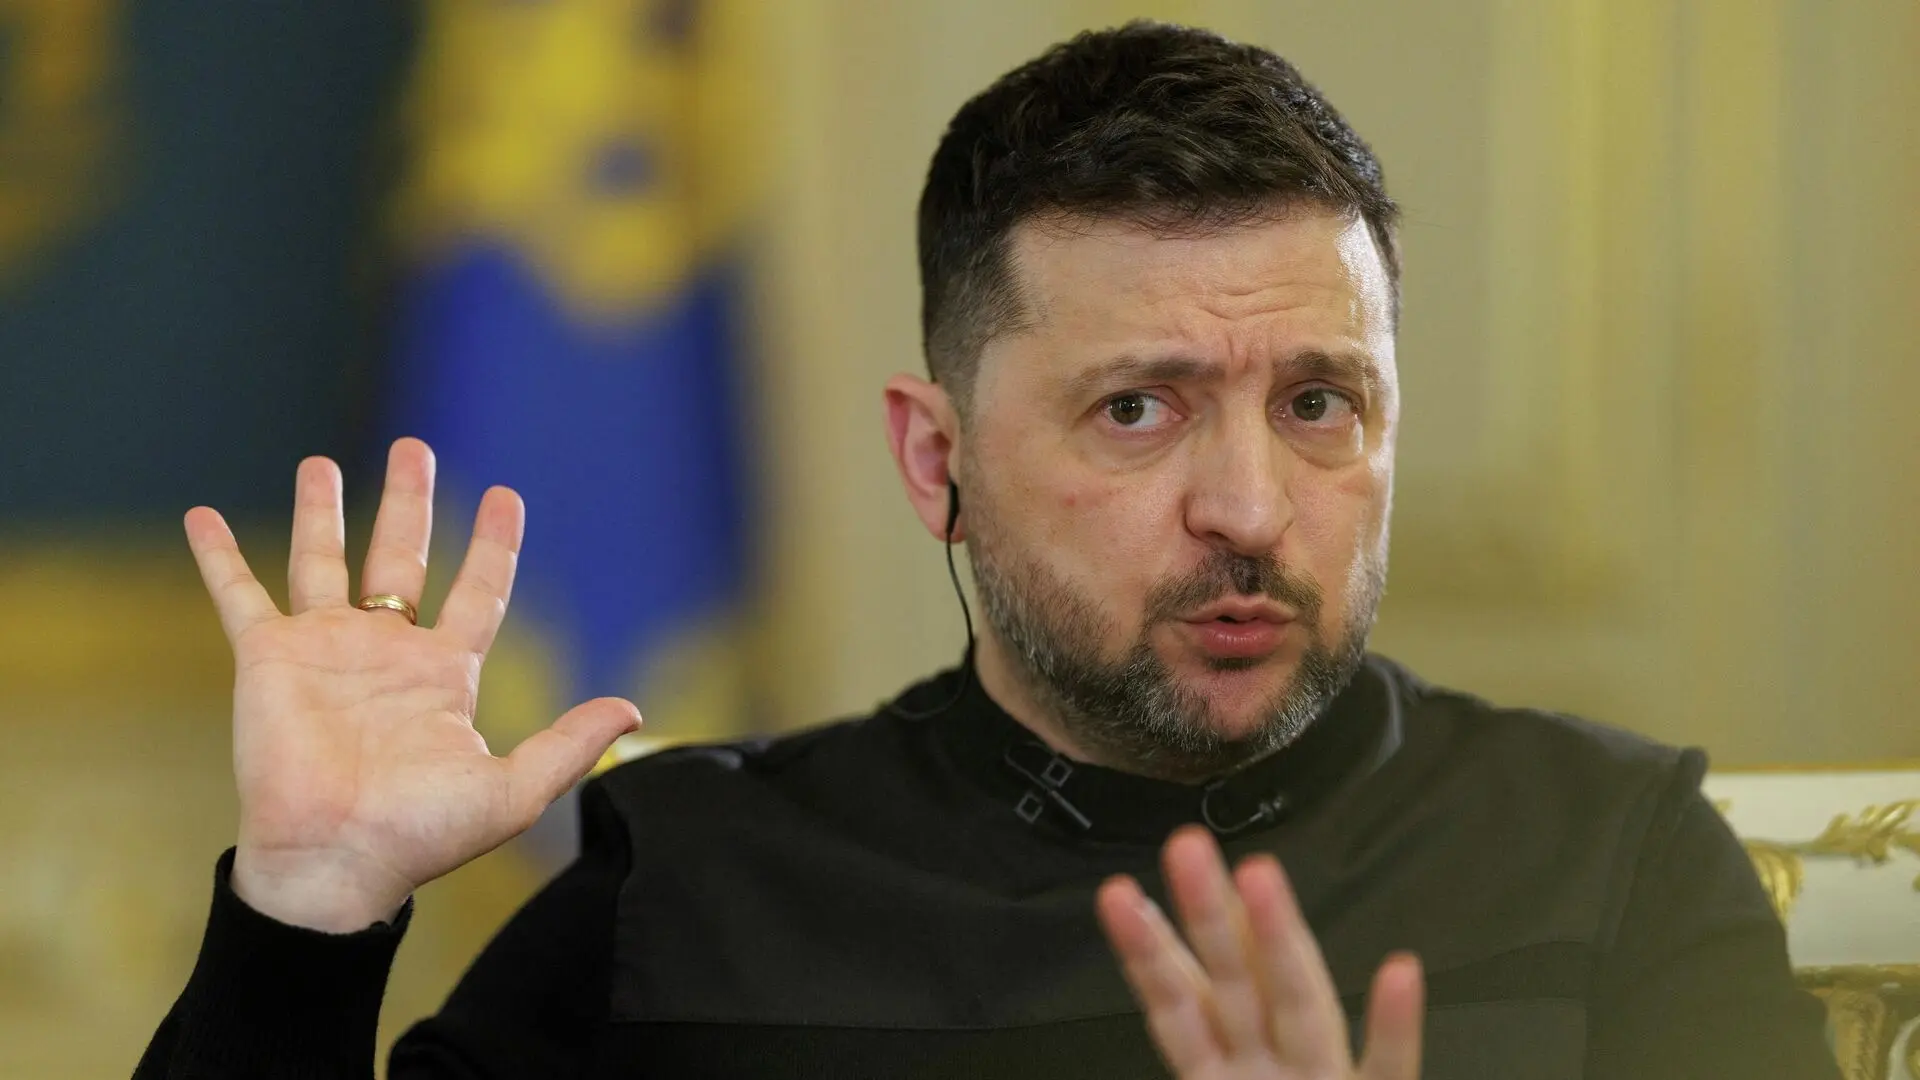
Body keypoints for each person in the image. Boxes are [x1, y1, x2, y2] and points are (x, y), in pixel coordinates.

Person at [135, 21, 1840, 1080]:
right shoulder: (693, 886)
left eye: (1320, 403)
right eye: (1139, 410)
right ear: (935, 458)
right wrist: (306, 916)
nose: (1252, 507)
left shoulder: (1614, 860)